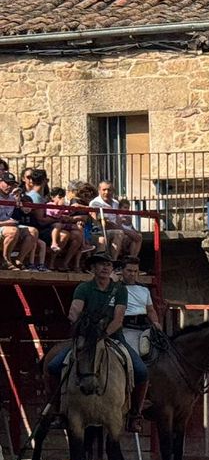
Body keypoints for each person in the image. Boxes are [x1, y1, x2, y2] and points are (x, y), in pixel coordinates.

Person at [45, 252, 149, 420]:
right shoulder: (83, 288)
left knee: (141, 371)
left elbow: (118, 318)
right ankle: (58, 409)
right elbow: (74, 312)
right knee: (54, 366)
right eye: (101, 264)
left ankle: (135, 414)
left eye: (109, 265)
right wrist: (83, 327)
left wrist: (102, 335)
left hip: (113, 337)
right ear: (93, 268)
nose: (106, 268)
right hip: (85, 337)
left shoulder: (119, 290)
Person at [1, 174, 45, 270]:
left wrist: (17, 203)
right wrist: (7, 223)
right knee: (12, 230)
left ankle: (19, 260)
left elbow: (16, 218)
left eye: (12, 184)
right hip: (5, 226)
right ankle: (5, 260)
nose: (9, 186)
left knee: (33, 231)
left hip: (9, 225)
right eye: (7, 183)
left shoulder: (12, 198)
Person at [90, 181, 142, 261]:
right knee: (119, 233)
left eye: (109, 190)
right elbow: (101, 222)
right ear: (99, 190)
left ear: (113, 191)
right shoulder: (95, 203)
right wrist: (122, 229)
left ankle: (131, 263)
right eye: (104, 190)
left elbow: (119, 218)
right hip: (102, 231)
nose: (107, 192)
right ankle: (113, 262)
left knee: (136, 237)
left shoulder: (116, 203)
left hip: (117, 229)